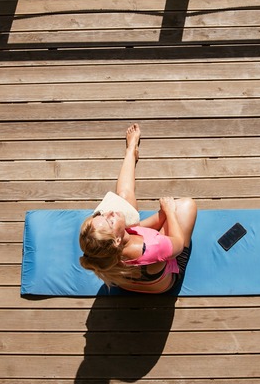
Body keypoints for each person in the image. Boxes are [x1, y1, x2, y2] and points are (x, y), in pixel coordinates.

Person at [79, 124, 197, 294]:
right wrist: (169, 212)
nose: (109, 212)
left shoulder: (101, 255)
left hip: (134, 271)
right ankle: (170, 213)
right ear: (116, 240)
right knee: (186, 206)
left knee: (125, 197)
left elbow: (136, 230)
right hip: (167, 277)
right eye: (109, 220)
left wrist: (161, 215)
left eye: (102, 214)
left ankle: (130, 151)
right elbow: (177, 245)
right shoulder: (154, 247)